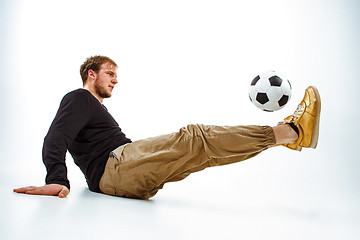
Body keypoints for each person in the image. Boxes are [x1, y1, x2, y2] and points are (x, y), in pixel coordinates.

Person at [13, 56, 321, 200]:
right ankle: (290, 133)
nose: (115, 79)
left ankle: (287, 136)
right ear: (91, 74)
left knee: (205, 152)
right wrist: (56, 178)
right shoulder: (79, 98)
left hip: (123, 170)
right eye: (109, 73)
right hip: (117, 166)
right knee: (197, 137)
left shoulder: (93, 108)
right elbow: (56, 136)